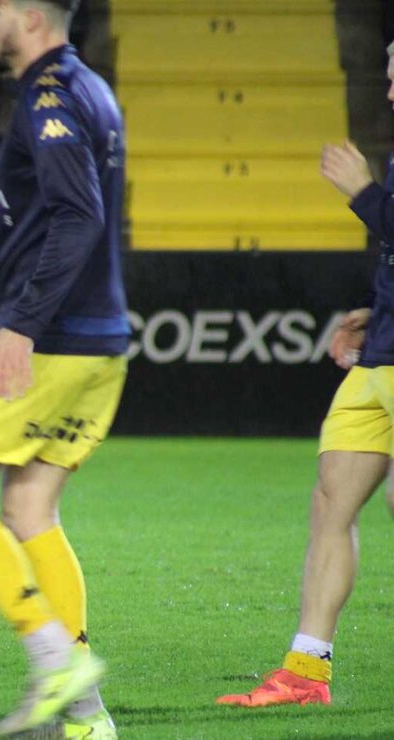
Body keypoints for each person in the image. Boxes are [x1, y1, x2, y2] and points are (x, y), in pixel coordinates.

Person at [0, 0, 127, 735]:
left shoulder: (49, 97)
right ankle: (84, 715)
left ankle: (53, 660)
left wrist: (20, 325)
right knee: (30, 510)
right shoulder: (91, 87)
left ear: (31, 15)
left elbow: (78, 215)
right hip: (98, 340)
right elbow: (44, 217)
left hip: (53, 339)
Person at [216, 42, 394, 710]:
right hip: (379, 357)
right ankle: (304, 670)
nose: (387, 92)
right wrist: (370, 312)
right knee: (330, 501)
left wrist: (363, 194)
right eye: (385, 78)